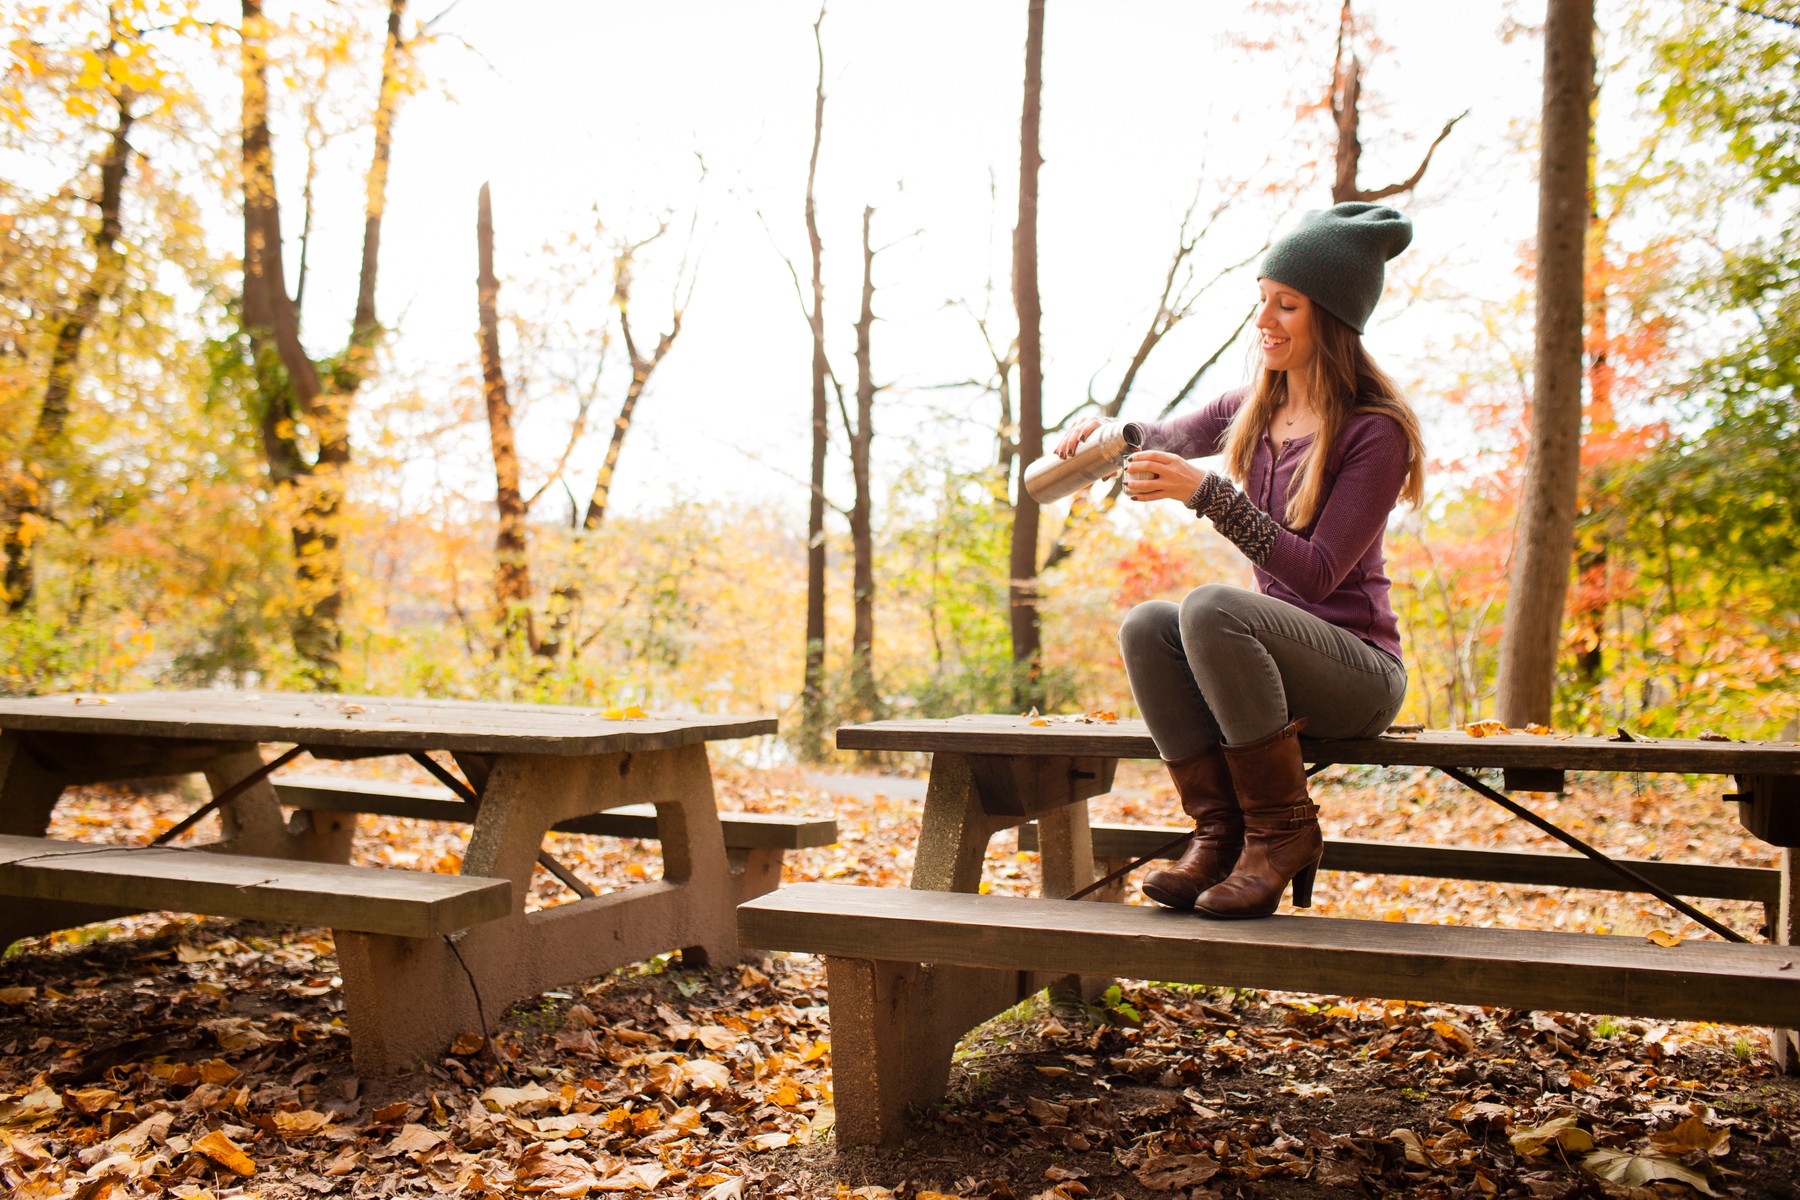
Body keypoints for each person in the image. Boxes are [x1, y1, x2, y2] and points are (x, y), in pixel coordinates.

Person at [1055, 202, 1425, 919]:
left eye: (1287, 304)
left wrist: (1209, 496)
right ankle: (1220, 834)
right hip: (1270, 674)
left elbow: (1318, 573)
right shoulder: (1252, 406)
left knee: (1211, 606)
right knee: (1147, 625)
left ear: (1333, 317)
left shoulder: (1376, 433)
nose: (1266, 320)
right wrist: (1109, 432)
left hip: (1359, 676)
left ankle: (1282, 836)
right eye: (1263, 300)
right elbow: (1160, 434)